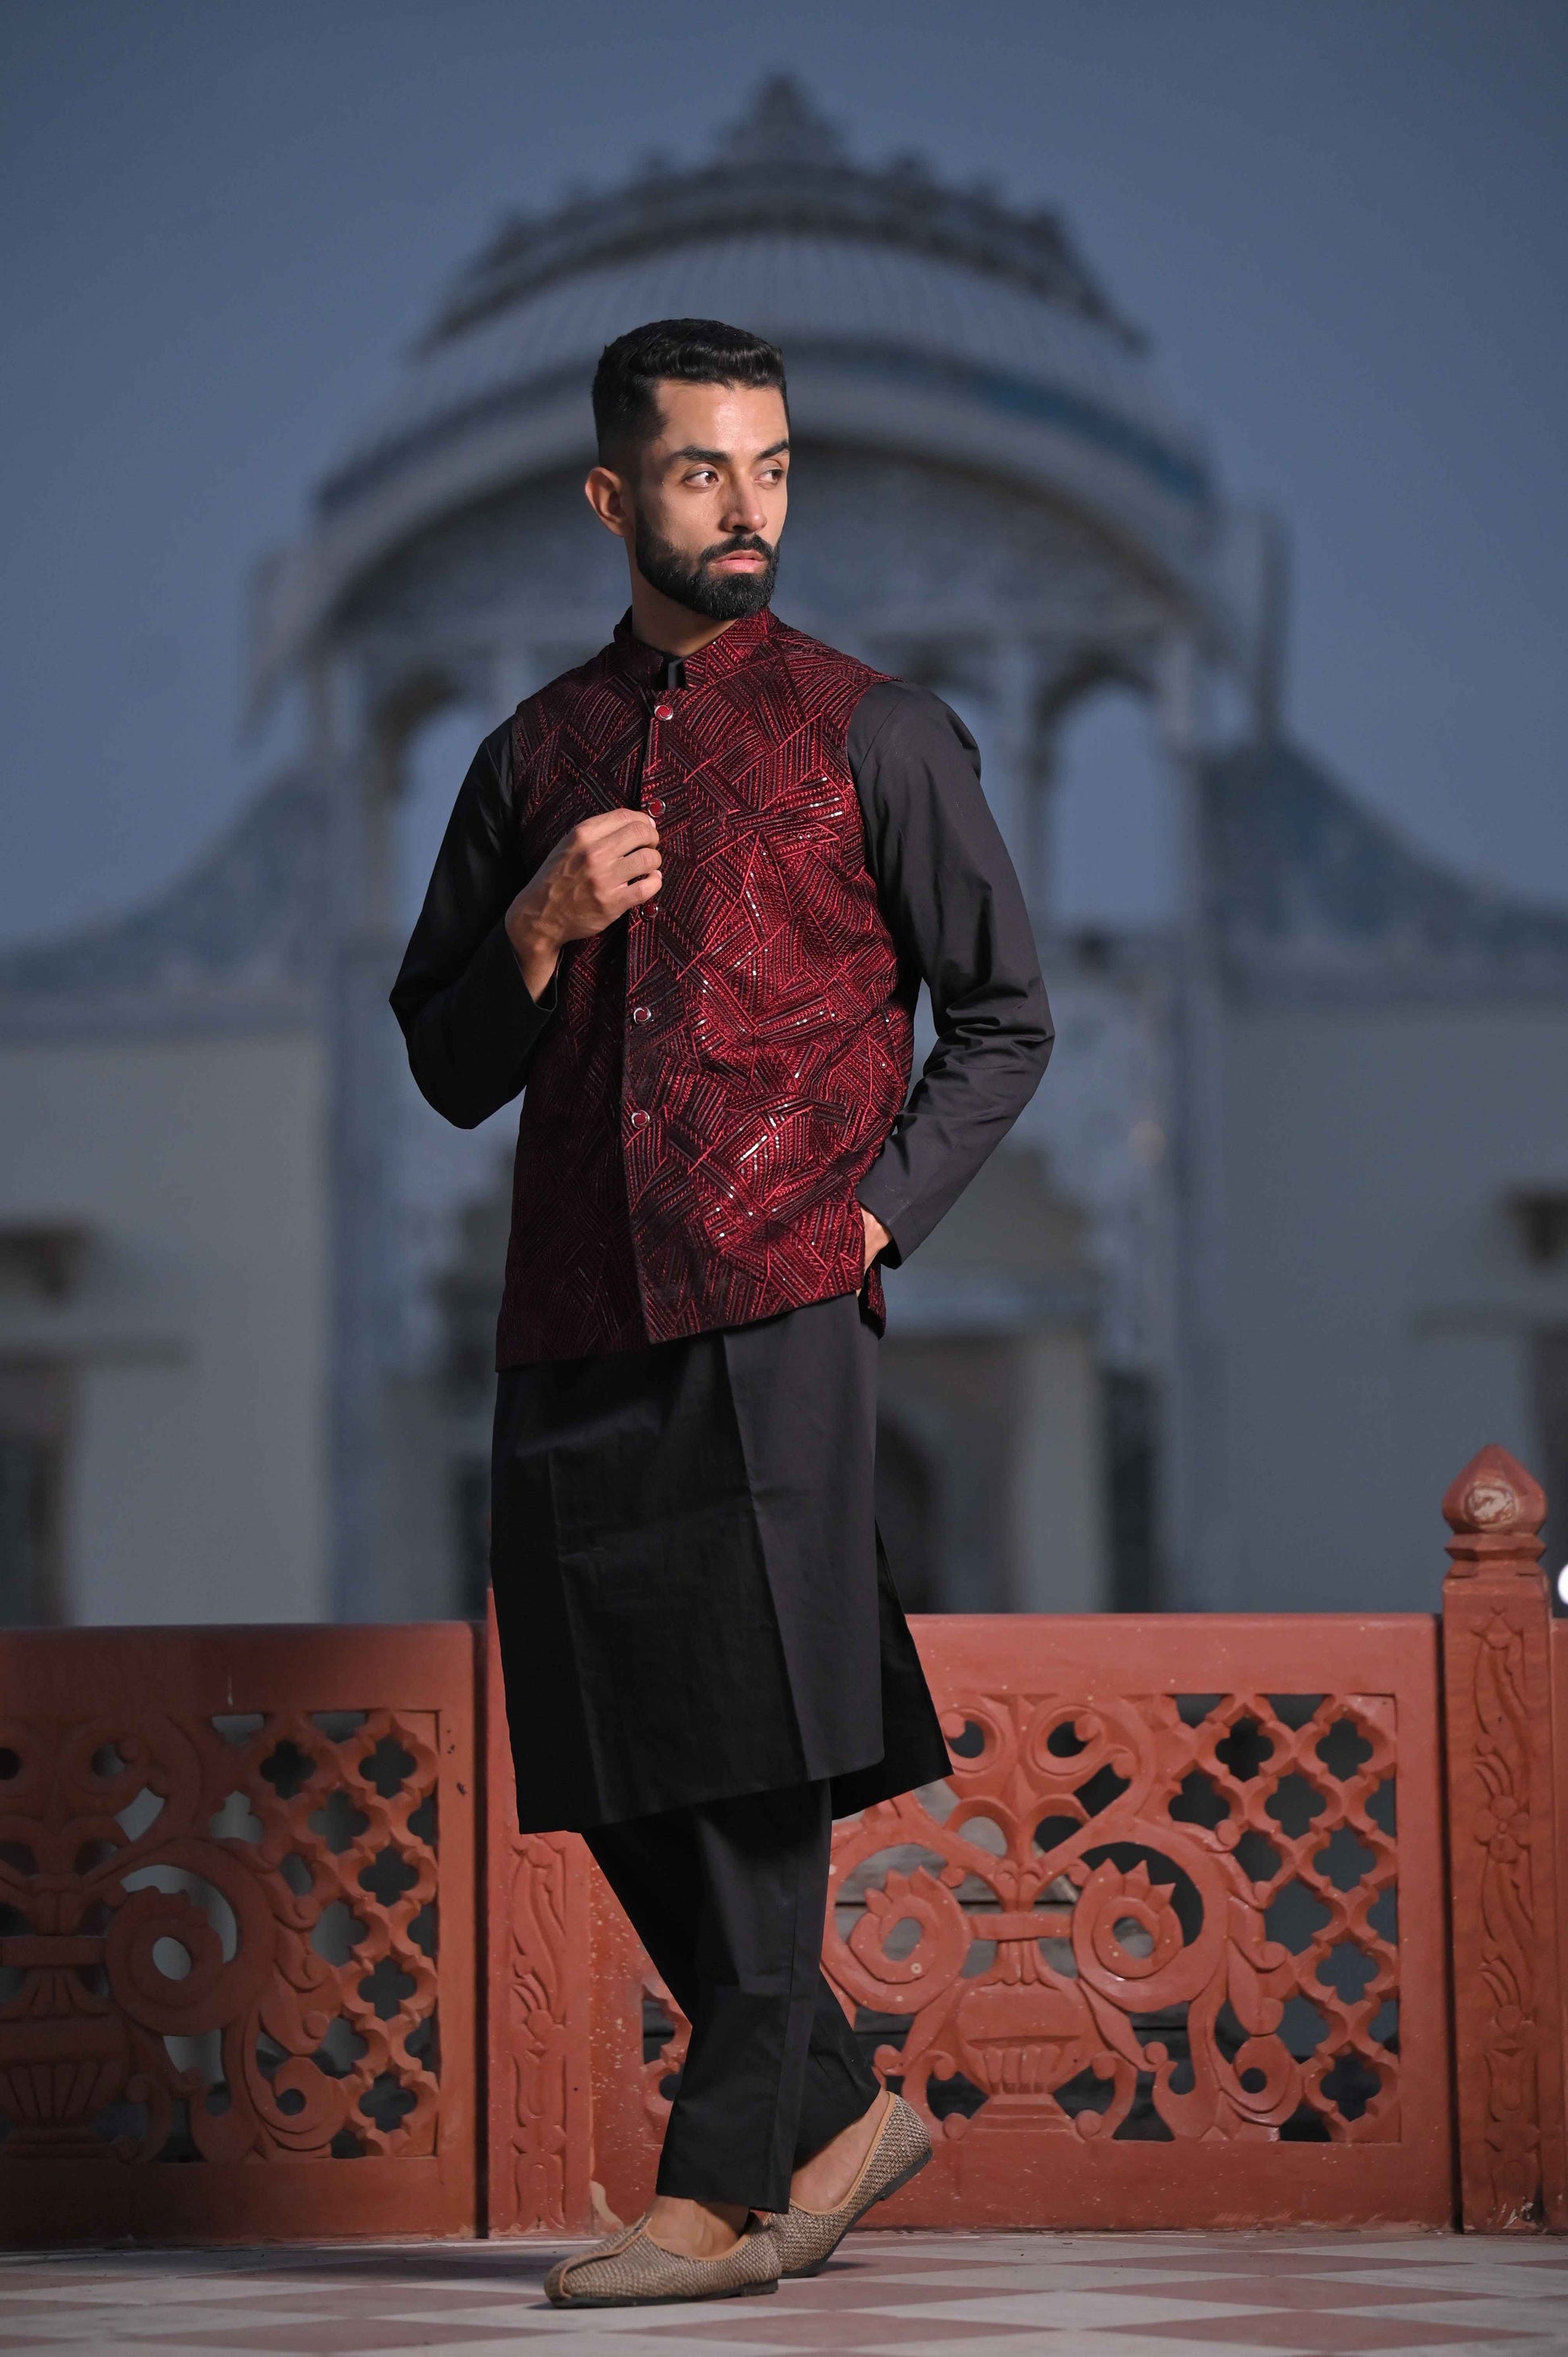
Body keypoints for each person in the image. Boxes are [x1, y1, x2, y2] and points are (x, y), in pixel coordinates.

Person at [392, 317, 1053, 2307]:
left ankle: (712, 2187)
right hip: (568, 1305)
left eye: (771, 466)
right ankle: (841, 2114)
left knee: (760, 1734)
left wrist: (873, 1221)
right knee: (604, 1736)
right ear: (616, 496)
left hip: (780, 1295)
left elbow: (1004, 1017)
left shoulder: (879, 730)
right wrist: (536, 922)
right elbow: (443, 1062)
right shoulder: (531, 756)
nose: (746, 506)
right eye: (702, 470)